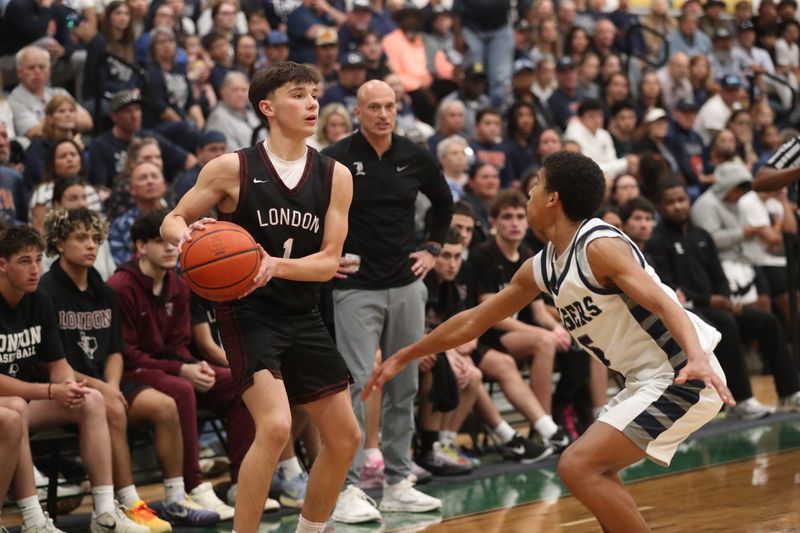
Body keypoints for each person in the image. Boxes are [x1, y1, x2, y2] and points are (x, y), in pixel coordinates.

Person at [364, 151, 734, 532]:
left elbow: (663, 300)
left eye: (536, 184)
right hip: (648, 379)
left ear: (553, 198)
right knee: (594, 473)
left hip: (682, 375)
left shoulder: (599, 246)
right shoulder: (543, 265)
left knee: (579, 466)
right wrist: (406, 354)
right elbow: (474, 320)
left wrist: (696, 357)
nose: (529, 192)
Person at [160, 61, 360, 533]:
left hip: (302, 310)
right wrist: (187, 239)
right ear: (268, 107)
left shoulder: (335, 175)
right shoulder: (232, 167)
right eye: (298, 94)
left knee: (345, 436)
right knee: (273, 427)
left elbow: (330, 262)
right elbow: (174, 218)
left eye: (314, 93)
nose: (312, 102)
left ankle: (310, 529)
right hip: (247, 312)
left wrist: (273, 265)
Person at [321, 79, 451, 524]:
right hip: (353, 288)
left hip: (405, 284)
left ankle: (397, 482)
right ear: (358, 112)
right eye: (373, 107)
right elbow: (307, 209)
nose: (382, 114)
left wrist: (432, 248)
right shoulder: (335, 158)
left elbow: (444, 202)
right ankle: (347, 487)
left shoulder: (415, 156)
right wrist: (325, 258)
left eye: (389, 107)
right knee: (356, 385)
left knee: (405, 384)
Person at [38, 208, 192, 531]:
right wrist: (105, 388)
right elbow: (52, 363)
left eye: (95, 238)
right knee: (110, 406)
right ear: (59, 244)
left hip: (108, 383)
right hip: (65, 389)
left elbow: (116, 350)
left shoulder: (104, 290)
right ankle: (127, 502)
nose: (91, 245)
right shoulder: (46, 292)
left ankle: (176, 497)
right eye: (81, 238)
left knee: (165, 405)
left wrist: (111, 382)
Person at [0, 225, 151, 533]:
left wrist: (67, 385)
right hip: (14, 403)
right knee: (14, 408)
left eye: (38, 259)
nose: (35, 269)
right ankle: (32, 518)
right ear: (2, 264)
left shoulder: (38, 301)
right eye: (25, 261)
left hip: (27, 400)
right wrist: (52, 390)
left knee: (91, 399)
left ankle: (106, 513)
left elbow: (57, 362)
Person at [108, 210, 246, 523]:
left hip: (167, 368)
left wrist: (194, 365)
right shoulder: (119, 287)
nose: (171, 248)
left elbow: (178, 346)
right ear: (140, 247)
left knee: (238, 383)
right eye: (160, 242)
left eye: (173, 242)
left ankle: (242, 482)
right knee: (182, 388)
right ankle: (192, 486)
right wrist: (182, 370)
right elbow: (126, 353)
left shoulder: (178, 285)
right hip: (130, 374)